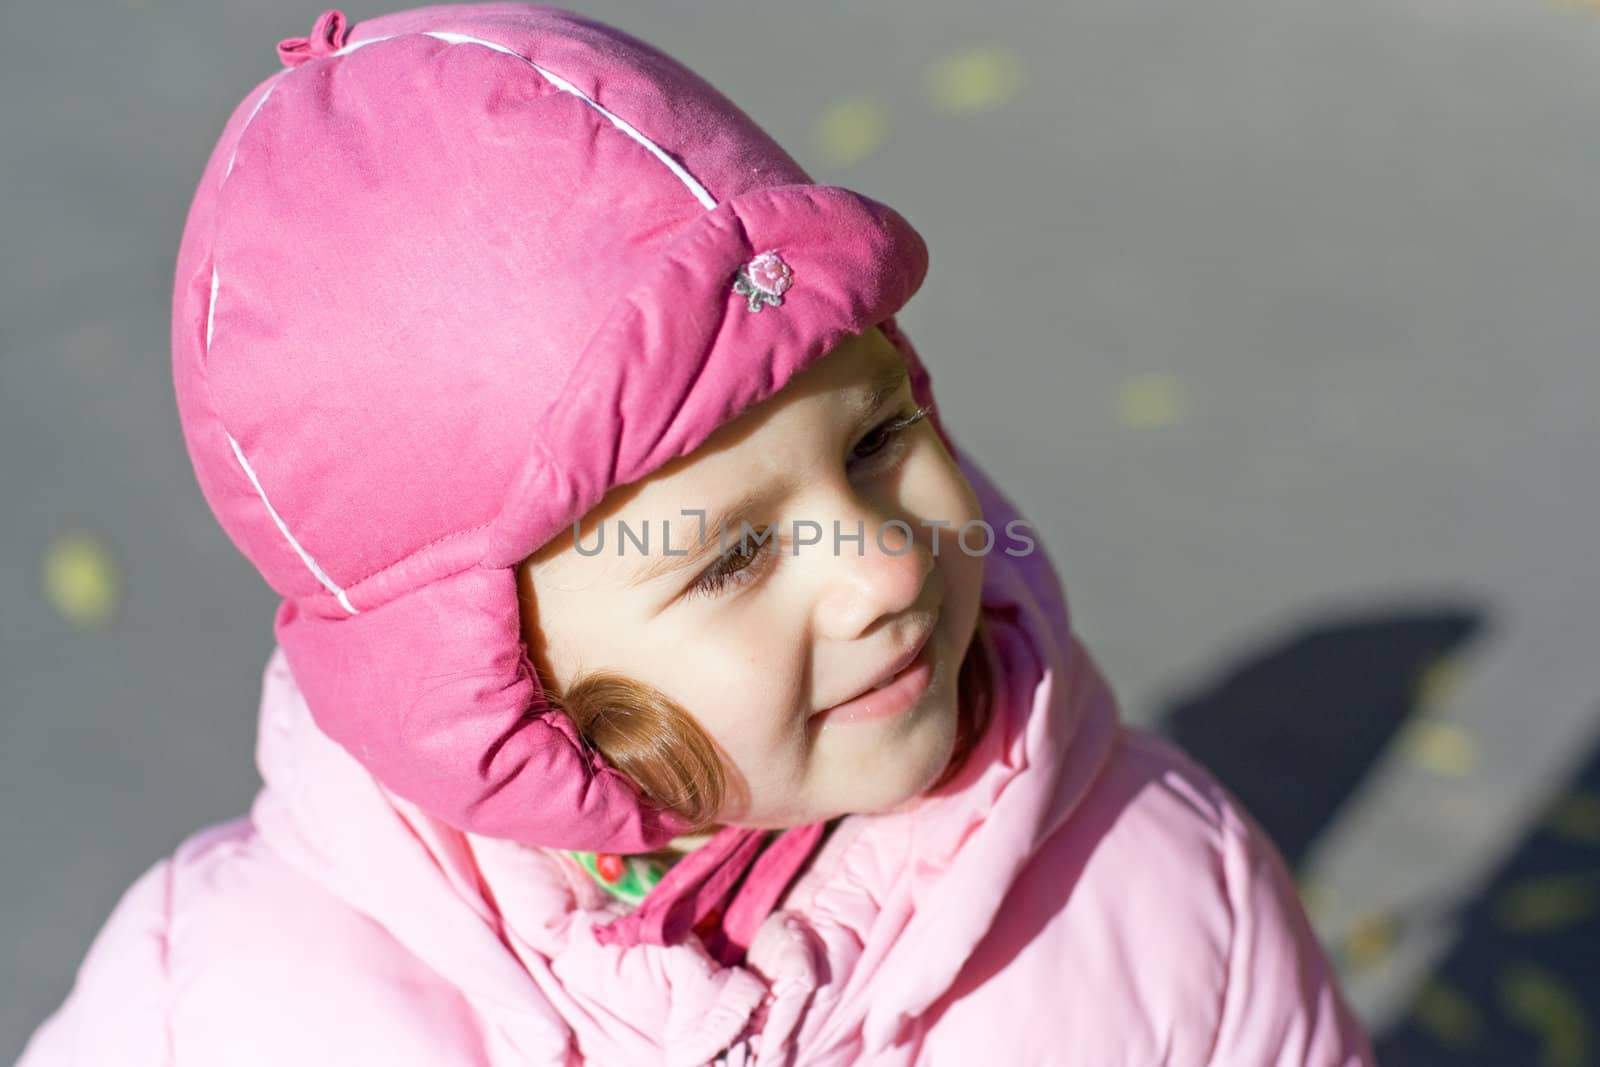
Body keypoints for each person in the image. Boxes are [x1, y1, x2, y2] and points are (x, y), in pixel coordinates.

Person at [16, 5, 1378, 1064]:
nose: (886, 567)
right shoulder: (224, 1002)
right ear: (487, 686)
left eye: (877, 441)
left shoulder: (1159, 896)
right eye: (731, 555)